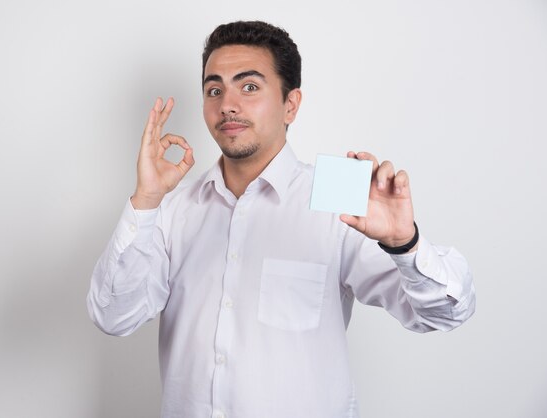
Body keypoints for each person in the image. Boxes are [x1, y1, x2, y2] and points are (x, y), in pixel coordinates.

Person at [87, 20, 476, 418]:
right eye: (214, 89)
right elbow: (113, 316)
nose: (227, 105)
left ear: (290, 104)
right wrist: (146, 199)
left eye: (250, 86)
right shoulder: (171, 210)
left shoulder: (339, 201)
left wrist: (404, 244)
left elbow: (446, 312)